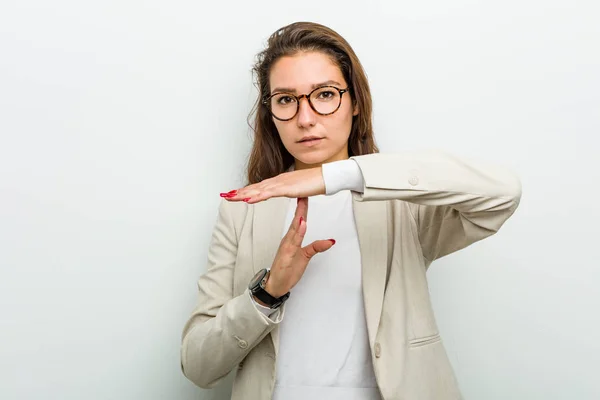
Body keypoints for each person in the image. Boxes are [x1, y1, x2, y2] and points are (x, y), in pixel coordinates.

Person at [180, 21, 522, 400]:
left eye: (324, 95)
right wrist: (267, 293)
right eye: (286, 100)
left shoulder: (400, 202)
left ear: (355, 101)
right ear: (270, 112)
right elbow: (198, 365)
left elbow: (502, 194)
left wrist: (341, 175)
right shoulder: (242, 211)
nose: (305, 118)